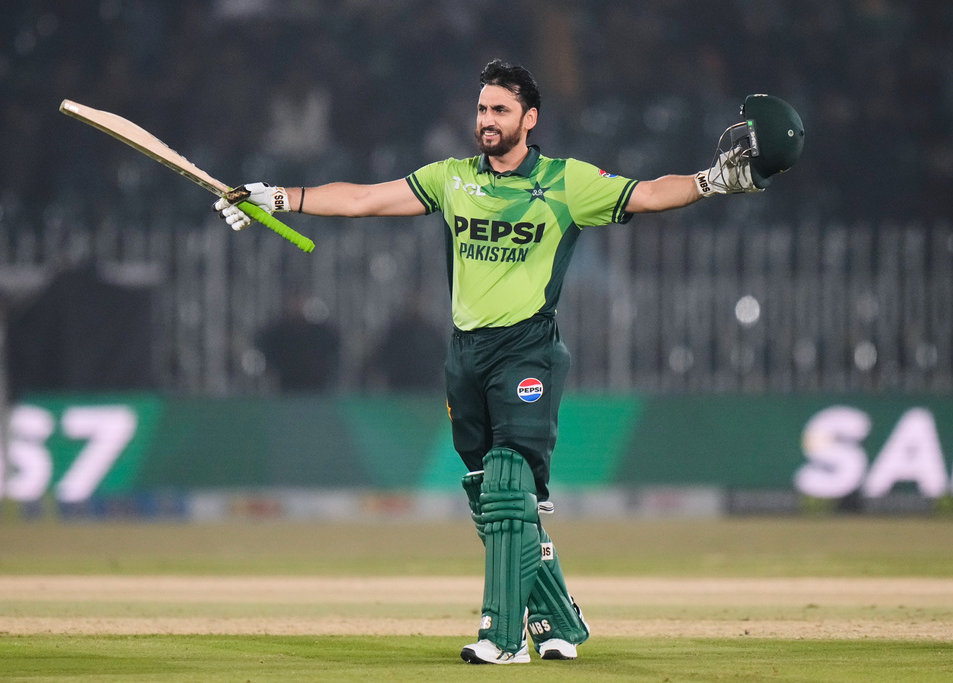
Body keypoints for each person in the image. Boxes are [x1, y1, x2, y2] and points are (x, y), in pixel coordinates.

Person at [214, 59, 801, 664]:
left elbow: (649, 193)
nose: (486, 120)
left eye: (499, 110)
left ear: (530, 118)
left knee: (507, 480)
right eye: (481, 109)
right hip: (466, 353)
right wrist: (278, 196)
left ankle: (502, 636)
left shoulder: (568, 181)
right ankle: (558, 622)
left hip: (528, 348)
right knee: (491, 495)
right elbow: (364, 198)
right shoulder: (452, 179)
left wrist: (714, 181)